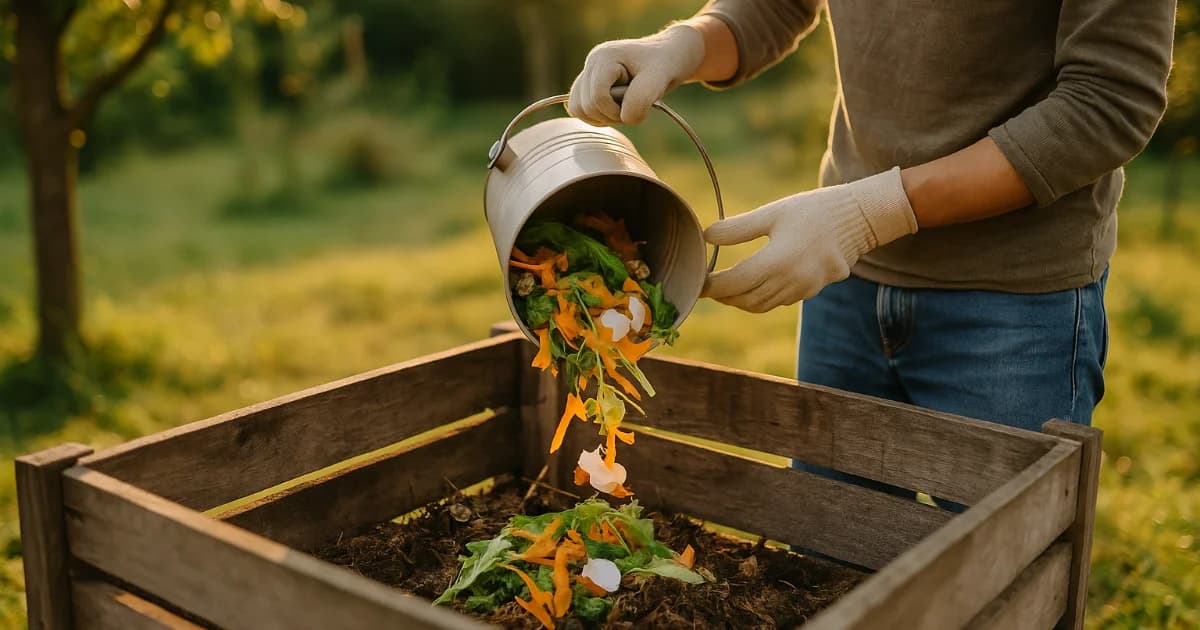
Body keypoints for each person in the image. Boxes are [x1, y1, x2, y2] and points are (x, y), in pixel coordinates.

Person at [565, 1, 1176, 450]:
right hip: (847, 288)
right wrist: (683, 45)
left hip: (1011, 306)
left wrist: (870, 213)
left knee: (997, 579)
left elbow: (1109, 101)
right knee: (833, 561)